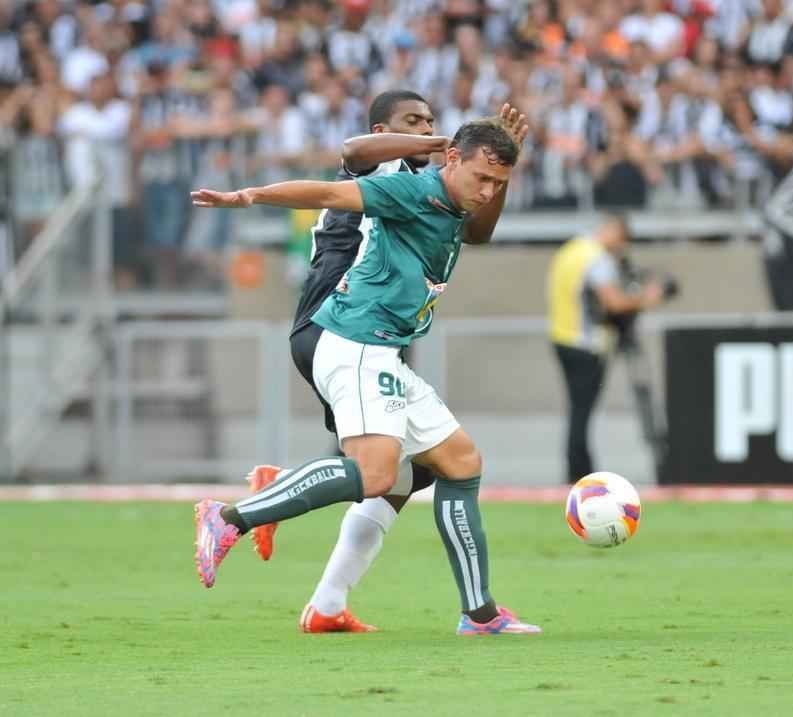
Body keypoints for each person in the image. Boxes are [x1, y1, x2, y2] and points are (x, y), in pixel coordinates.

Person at [190, 119, 542, 635]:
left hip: (384, 350)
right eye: (482, 178)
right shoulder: (411, 191)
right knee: (376, 475)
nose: (487, 192)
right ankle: (228, 518)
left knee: (460, 462)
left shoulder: (460, 202)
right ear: (451, 161)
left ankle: (480, 614)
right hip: (356, 343)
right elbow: (331, 190)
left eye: (498, 183)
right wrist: (250, 196)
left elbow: (482, 231)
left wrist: (498, 179)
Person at [251, 89, 449, 634]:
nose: (427, 128)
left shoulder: (421, 186)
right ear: (384, 132)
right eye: (413, 121)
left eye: (432, 120)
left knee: (415, 472)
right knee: (383, 472)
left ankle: (328, 603)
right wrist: (444, 143)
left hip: (372, 334)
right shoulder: (368, 172)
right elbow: (354, 148)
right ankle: (262, 505)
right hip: (335, 328)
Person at [547, 214, 664, 483]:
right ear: (614, 231)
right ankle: (579, 473)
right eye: (622, 241)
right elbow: (613, 303)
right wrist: (647, 298)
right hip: (587, 343)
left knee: (577, 410)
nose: (621, 249)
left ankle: (578, 469)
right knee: (582, 413)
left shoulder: (571, 250)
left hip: (562, 337)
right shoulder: (597, 258)